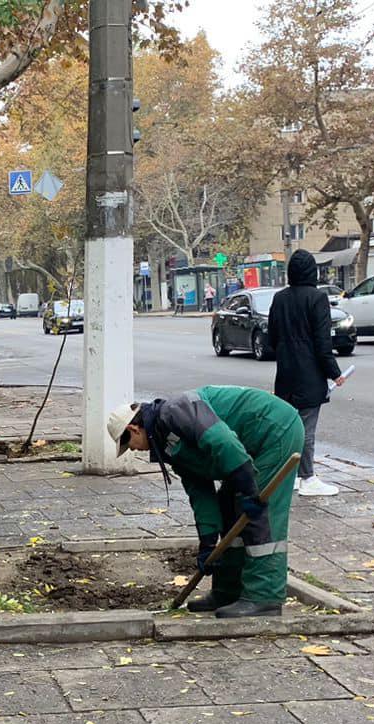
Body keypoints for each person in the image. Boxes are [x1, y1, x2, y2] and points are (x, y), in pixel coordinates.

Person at [106, 386, 304, 618]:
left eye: (128, 444)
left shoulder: (176, 412)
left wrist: (251, 492)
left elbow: (223, 442)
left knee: (258, 517)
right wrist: (208, 544)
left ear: (133, 428)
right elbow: (200, 491)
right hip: (243, 446)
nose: (132, 449)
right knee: (228, 508)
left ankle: (264, 598)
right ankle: (228, 591)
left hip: (273, 430)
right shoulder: (165, 442)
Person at [267, 250, 347, 497]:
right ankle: (307, 477)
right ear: (313, 271)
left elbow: (272, 337)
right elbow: (323, 344)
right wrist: (335, 374)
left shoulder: (279, 298)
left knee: (288, 427)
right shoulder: (317, 298)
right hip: (309, 375)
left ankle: (288, 476)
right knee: (307, 429)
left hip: (285, 374)